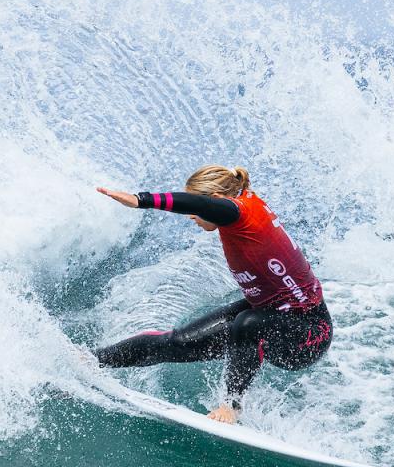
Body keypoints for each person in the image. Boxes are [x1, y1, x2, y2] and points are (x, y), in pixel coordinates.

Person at [93, 165, 333, 423]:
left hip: (309, 334)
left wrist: (141, 200)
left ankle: (232, 406)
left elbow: (198, 204)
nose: (191, 216)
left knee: (248, 323)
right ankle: (93, 361)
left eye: (198, 210)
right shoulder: (242, 209)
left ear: (216, 201)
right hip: (270, 315)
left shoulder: (239, 212)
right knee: (179, 341)